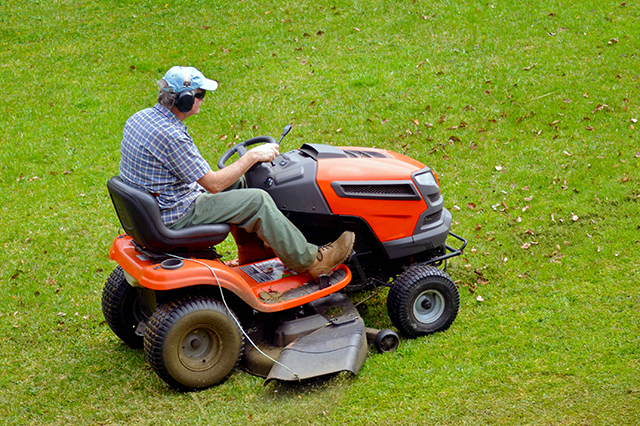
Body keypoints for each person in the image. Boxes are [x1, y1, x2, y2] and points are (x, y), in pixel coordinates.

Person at [119, 66, 354, 280]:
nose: (203, 100)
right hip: (177, 213)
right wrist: (252, 156)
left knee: (241, 183)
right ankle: (311, 261)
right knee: (257, 200)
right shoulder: (172, 136)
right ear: (184, 100)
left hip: (160, 203)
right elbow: (213, 184)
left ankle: (253, 255)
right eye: (201, 95)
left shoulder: (139, 118)